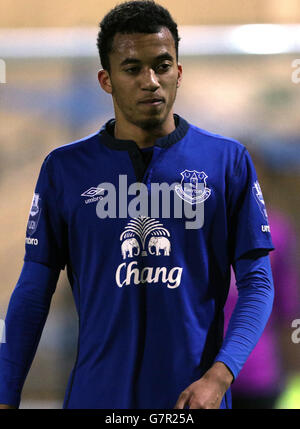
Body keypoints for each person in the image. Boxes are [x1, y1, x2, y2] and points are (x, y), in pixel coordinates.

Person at [0, 0, 275, 409]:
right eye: (132, 69)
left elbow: (258, 283)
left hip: (192, 401)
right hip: (96, 399)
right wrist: (6, 393)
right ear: (106, 79)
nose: (151, 81)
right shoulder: (65, 169)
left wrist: (220, 374)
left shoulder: (226, 162)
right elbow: (33, 290)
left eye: (162, 65)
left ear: (178, 73)